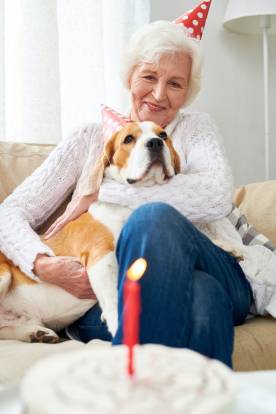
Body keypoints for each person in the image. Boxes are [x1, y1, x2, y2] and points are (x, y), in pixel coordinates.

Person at [0, 2, 257, 368]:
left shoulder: (196, 130)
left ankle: (131, 385)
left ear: (188, 91)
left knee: (153, 218)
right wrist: (41, 264)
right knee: (203, 298)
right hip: (115, 289)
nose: (159, 94)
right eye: (149, 77)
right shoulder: (89, 140)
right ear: (129, 77)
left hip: (216, 264)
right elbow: (9, 212)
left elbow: (216, 197)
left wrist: (99, 190)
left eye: (175, 83)